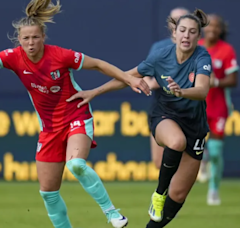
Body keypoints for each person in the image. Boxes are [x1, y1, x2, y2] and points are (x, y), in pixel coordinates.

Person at [0, 1, 150, 227]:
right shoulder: (13, 57)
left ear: (43, 36)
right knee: (48, 193)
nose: (31, 42)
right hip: (49, 128)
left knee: (76, 165)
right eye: (26, 38)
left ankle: (112, 213)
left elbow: (99, 65)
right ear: (19, 40)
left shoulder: (60, 55)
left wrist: (129, 78)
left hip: (76, 115)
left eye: (35, 37)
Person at [67, 9, 211, 228]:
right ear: (174, 33)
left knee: (179, 194)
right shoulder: (160, 56)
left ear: (198, 36)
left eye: (192, 32)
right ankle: (158, 195)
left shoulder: (202, 56)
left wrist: (182, 91)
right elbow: (128, 77)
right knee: (176, 141)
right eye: (182, 30)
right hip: (166, 115)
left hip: (195, 125)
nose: (186, 36)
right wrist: (95, 92)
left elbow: (201, 90)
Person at [198, 14, 238, 205]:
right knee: (194, 142)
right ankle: (202, 158)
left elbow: (233, 80)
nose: (212, 29)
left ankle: (213, 190)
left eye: (216, 26)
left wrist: (216, 81)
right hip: (197, 105)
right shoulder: (196, 47)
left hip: (219, 106)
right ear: (204, 27)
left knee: (215, 150)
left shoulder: (226, 50)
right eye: (209, 25)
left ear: (221, 30)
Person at [147, 7, 190, 170]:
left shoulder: (193, 48)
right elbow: (146, 70)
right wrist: (147, 82)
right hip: (160, 106)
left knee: (182, 157)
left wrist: (159, 80)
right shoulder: (159, 46)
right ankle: (167, 193)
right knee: (159, 162)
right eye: (175, 20)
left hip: (185, 108)